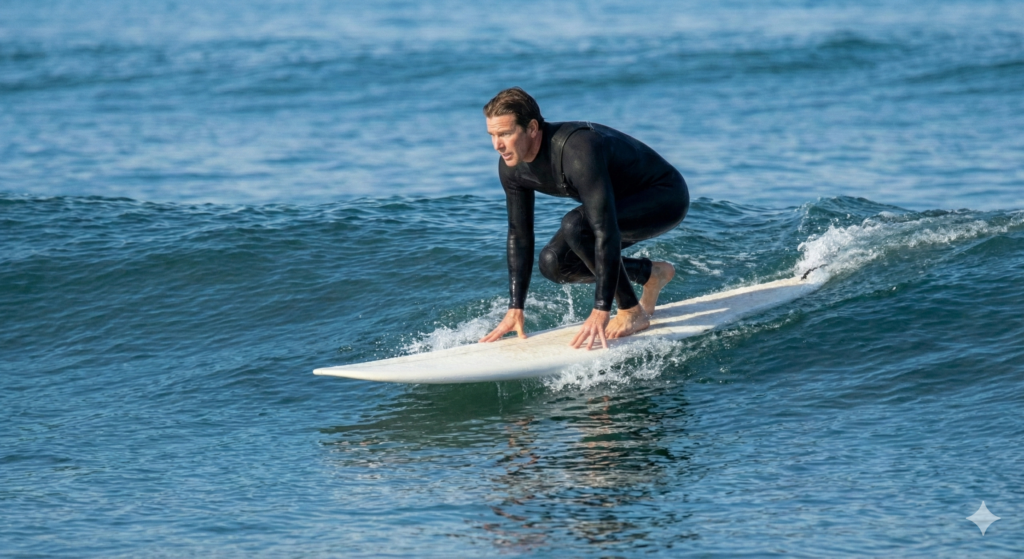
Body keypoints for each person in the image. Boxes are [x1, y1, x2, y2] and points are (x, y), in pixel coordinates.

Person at [478, 87, 689, 350]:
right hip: (617, 205)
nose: (497, 145)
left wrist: (602, 307)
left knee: (576, 226)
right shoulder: (512, 165)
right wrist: (515, 307)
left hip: (665, 198)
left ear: (532, 128)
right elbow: (519, 234)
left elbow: (604, 230)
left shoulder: (577, 149)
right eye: (492, 135)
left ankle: (631, 311)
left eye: (505, 134)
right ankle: (650, 274)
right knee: (554, 263)